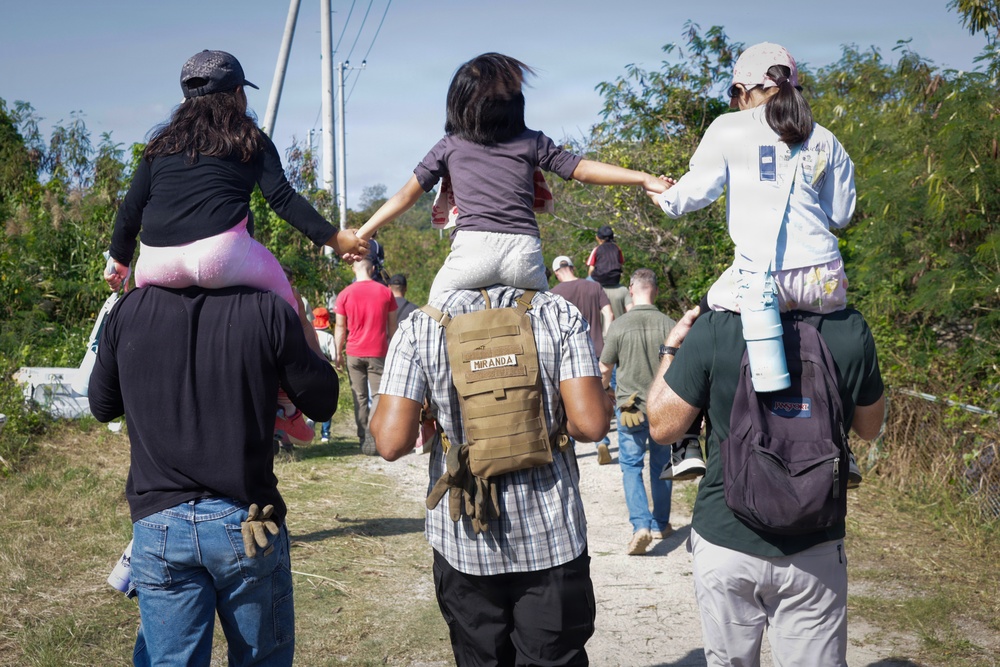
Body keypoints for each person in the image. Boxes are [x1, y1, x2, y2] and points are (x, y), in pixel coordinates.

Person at [103, 49, 366, 445]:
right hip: (221, 255)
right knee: (290, 305)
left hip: (154, 262)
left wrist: (119, 261)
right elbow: (283, 199)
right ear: (238, 93)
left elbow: (130, 209)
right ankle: (290, 406)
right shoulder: (248, 138)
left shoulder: (159, 147)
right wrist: (335, 237)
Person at [88, 283, 339, 666]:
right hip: (246, 521)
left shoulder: (128, 309)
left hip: (159, 521)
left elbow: (102, 405)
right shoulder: (266, 308)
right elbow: (322, 402)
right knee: (261, 658)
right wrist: (299, 319)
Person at [370, 283, 611, 665]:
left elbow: (390, 442)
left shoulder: (421, 325)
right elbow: (591, 426)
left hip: (466, 539)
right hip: (551, 535)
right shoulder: (558, 314)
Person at [646, 308, 885, 663]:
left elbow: (662, 426)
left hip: (726, 536)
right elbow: (869, 428)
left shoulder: (716, 327)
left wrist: (670, 351)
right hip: (815, 540)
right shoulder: (849, 329)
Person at [355, 52, 665, 297]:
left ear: (458, 104)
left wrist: (362, 235)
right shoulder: (532, 141)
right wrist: (644, 178)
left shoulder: (449, 146)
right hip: (525, 254)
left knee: (432, 317)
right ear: (515, 104)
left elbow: (406, 196)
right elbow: (582, 169)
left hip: (472, 252)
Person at [652, 42, 855, 316]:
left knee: (698, 320)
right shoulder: (825, 138)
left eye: (734, 95)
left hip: (763, 277)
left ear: (743, 91)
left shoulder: (728, 127)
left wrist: (663, 198)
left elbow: (696, 192)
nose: (735, 104)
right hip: (825, 278)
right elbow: (840, 215)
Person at [598, 269, 677, 555]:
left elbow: (605, 368)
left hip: (630, 408)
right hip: (664, 409)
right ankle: (660, 524)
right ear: (655, 290)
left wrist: (606, 391)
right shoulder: (670, 324)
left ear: (631, 290)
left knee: (631, 467)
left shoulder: (620, 326)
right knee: (660, 467)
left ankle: (640, 525)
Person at [550, 254, 615, 464]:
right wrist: (605, 338)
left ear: (556, 273)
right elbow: (609, 313)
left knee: (571, 404)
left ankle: (570, 446)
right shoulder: (594, 287)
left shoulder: (553, 294)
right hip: (596, 350)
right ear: (572, 267)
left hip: (567, 357)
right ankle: (602, 440)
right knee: (598, 397)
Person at [333, 258, 397, 455]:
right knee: (378, 395)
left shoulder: (345, 294)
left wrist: (338, 353)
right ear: (374, 269)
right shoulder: (386, 292)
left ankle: (363, 435)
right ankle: (372, 429)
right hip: (378, 351)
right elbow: (393, 328)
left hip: (354, 351)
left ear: (353, 269)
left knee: (359, 395)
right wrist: (395, 352)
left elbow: (340, 327)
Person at [312, 307, 338, 443]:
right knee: (327, 400)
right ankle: (325, 433)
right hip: (325, 370)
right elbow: (334, 356)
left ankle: (310, 421)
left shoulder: (307, 334)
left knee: (312, 398)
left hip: (310, 370)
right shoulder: (329, 337)